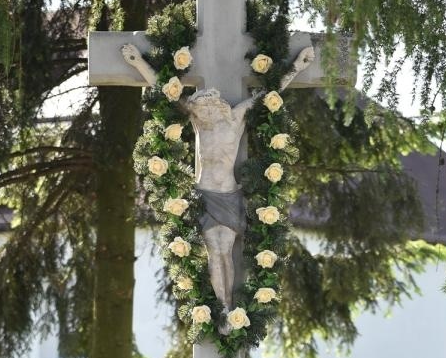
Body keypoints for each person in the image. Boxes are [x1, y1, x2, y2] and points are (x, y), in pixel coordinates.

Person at [121, 42, 314, 315]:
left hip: (229, 194)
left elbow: (270, 93)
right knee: (215, 252)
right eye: (201, 109)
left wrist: (298, 66)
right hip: (206, 194)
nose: (203, 112)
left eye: (207, 108)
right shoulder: (199, 121)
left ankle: (229, 306)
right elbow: (168, 93)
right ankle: (223, 308)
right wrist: (137, 62)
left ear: (216, 106)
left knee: (226, 251)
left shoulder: (236, 118)